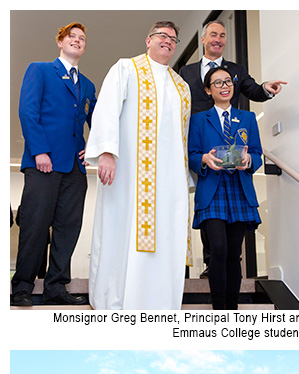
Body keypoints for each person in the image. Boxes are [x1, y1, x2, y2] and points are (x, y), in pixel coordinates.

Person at [85, 21, 192, 310]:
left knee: (166, 234)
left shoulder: (181, 86)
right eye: (162, 36)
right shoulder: (126, 68)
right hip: (130, 172)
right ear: (148, 40)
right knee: (123, 229)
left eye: (173, 38)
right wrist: (107, 151)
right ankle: (115, 299)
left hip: (169, 179)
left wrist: (183, 179)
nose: (168, 41)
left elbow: (180, 137)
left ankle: (159, 304)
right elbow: (106, 108)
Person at [180, 19, 286, 277]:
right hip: (199, 142)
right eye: (213, 34)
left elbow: (251, 89)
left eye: (223, 35)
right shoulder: (186, 72)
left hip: (233, 152)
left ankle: (217, 264)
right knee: (205, 201)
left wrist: (265, 90)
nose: (218, 39)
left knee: (223, 211)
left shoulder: (236, 70)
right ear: (203, 39)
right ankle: (209, 261)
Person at [11, 22, 96, 307]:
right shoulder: (40, 70)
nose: (77, 40)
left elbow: (98, 122)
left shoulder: (87, 85)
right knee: (35, 225)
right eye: (71, 36)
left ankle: (56, 287)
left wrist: (94, 149)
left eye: (81, 38)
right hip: (43, 162)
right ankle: (22, 286)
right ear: (60, 42)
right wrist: (40, 151)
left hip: (75, 168)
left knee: (67, 228)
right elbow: (28, 111)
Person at [188, 67, 263, 309]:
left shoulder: (248, 118)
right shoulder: (199, 120)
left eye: (228, 81)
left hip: (240, 189)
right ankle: (218, 308)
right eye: (217, 83)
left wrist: (250, 160)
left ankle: (232, 309)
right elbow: (191, 154)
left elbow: (257, 153)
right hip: (212, 190)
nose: (224, 86)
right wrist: (203, 159)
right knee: (218, 249)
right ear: (209, 90)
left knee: (234, 254)